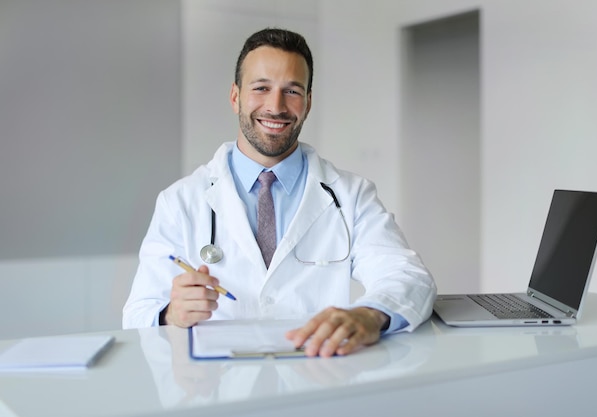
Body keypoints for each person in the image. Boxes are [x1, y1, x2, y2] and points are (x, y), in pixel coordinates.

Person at [122, 28, 436, 357]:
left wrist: (370, 314)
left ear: (308, 102)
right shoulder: (180, 201)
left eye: (292, 91)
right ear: (235, 97)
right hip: (217, 391)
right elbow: (136, 314)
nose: (276, 106)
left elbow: (408, 277)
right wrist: (170, 313)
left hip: (317, 379)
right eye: (261, 88)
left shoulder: (351, 195)